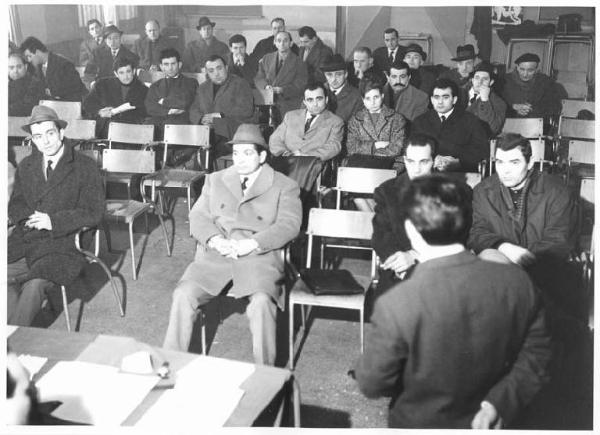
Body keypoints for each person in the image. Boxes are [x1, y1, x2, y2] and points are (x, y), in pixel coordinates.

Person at [355, 174, 552, 428]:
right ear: (465, 224)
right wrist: (499, 402)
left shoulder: (397, 303)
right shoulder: (518, 283)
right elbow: (538, 355)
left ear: (412, 233)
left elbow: (373, 383)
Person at [163, 124, 302, 365]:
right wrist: (215, 240)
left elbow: (289, 225)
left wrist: (252, 243)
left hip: (258, 257)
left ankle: (265, 375)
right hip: (217, 256)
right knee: (183, 295)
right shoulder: (215, 180)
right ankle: (169, 365)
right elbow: (198, 217)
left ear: (262, 156)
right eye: (236, 153)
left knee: (261, 304)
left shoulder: (284, 185)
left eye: (248, 153)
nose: (240, 160)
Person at [8, 106, 104, 326]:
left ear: (61, 133)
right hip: (26, 240)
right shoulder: (27, 165)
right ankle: (10, 340)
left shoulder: (84, 166)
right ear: (32, 139)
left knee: (34, 286)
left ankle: (14, 340)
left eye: (50, 133)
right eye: (38, 136)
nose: (45, 141)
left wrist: (53, 221)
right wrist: (27, 219)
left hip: (63, 244)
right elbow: (17, 204)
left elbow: (94, 212)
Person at [467, 133, 579, 314]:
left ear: (530, 163)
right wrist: (503, 247)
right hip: (498, 274)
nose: (505, 170)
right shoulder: (483, 191)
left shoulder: (558, 191)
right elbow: (477, 232)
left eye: (514, 162)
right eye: (500, 162)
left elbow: (558, 242)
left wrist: (522, 262)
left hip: (544, 276)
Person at [371, 134, 437, 293]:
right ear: (404, 160)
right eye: (411, 161)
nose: (417, 169)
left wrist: (414, 256)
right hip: (397, 269)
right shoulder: (387, 191)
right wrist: (399, 262)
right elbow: (381, 235)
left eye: (424, 162)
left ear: (434, 161)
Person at [412, 78, 488, 172]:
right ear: (431, 99)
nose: (440, 102)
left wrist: (458, 162)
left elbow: (481, 152)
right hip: (426, 173)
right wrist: (431, 159)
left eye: (445, 97)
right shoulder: (420, 121)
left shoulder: (471, 121)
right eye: (436, 97)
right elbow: (412, 150)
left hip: (460, 173)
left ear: (454, 99)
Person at [189, 55, 255, 155]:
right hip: (207, 132)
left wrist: (219, 115)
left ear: (226, 68)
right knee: (199, 146)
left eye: (219, 68)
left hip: (231, 133)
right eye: (211, 71)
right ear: (207, 73)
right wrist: (201, 118)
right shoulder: (203, 88)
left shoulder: (240, 84)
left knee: (204, 149)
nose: (216, 73)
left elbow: (246, 109)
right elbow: (194, 109)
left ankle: (195, 160)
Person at [269, 82, 343, 161]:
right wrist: (285, 154)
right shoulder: (290, 116)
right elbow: (275, 140)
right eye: (310, 100)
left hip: (313, 166)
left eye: (319, 99)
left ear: (326, 99)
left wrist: (305, 156)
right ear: (305, 102)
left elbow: (334, 147)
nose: (315, 104)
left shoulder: (336, 122)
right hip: (285, 163)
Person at [345, 77, 406, 168]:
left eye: (376, 97)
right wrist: (376, 145)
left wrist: (366, 151)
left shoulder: (396, 118)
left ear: (382, 96)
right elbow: (351, 148)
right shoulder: (355, 120)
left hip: (390, 165)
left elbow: (397, 148)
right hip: (361, 165)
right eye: (368, 98)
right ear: (363, 99)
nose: (372, 102)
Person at [83, 57, 148, 138]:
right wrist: (100, 111)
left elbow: (144, 112)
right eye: (121, 73)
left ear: (134, 71)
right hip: (105, 128)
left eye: (128, 71)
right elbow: (88, 103)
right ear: (116, 73)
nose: (126, 76)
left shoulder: (143, 90)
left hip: (130, 129)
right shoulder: (102, 84)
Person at [255, 30, 308, 119]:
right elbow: (259, 78)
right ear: (275, 43)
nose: (282, 44)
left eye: (285, 40)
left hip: (289, 105)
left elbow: (301, 85)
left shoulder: (299, 62)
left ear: (291, 43)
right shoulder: (267, 58)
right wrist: (266, 86)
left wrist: (282, 90)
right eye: (279, 41)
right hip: (267, 103)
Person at [145, 48, 199, 130]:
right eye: (166, 64)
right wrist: (168, 111)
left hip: (181, 123)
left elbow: (184, 102)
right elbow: (150, 106)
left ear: (179, 65)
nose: (170, 68)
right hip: (159, 121)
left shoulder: (190, 82)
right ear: (161, 67)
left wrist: (163, 101)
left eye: (173, 64)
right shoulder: (155, 86)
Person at [20, 36, 87, 102]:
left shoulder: (63, 64)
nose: (29, 60)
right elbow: (33, 90)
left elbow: (75, 87)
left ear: (37, 52)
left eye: (29, 56)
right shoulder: (39, 68)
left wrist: (52, 92)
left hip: (72, 105)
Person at [502, 53, 564, 120]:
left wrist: (531, 110)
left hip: (537, 125)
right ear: (517, 67)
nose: (525, 74)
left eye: (530, 70)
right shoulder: (504, 81)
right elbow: (496, 105)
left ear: (536, 70)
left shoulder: (546, 82)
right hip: (509, 124)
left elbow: (555, 107)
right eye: (522, 69)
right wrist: (513, 107)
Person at [465, 61, 506, 137]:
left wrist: (485, 100)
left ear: (491, 82)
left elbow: (493, 129)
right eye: (477, 78)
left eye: (485, 79)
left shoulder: (498, 102)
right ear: (472, 80)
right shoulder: (457, 94)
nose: (480, 82)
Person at [321, 53, 363, 123]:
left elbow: (356, 127)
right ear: (325, 75)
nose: (334, 79)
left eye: (338, 74)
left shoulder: (356, 97)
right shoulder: (316, 92)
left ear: (346, 74)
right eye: (329, 75)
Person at [9, 51, 46, 117]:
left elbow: (26, 107)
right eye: (11, 68)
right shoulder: (8, 84)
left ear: (25, 67)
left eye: (19, 67)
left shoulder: (35, 82)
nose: (15, 71)